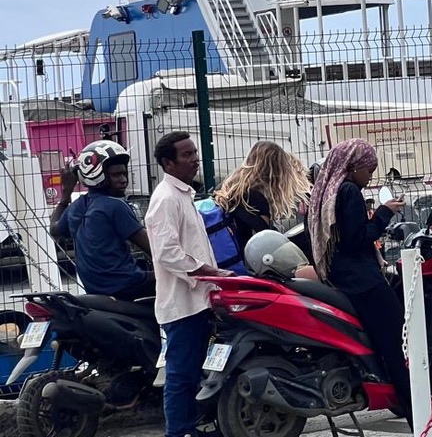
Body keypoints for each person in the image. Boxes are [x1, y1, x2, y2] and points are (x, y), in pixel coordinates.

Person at [307, 138, 432, 436]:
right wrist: (385, 212)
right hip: (365, 284)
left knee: (395, 351)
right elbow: (359, 239)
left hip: (347, 280)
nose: (370, 177)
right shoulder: (349, 192)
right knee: (403, 352)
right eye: (369, 170)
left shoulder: (331, 192)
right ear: (354, 167)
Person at [145, 132, 233, 437]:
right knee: (181, 374)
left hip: (197, 299)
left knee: (193, 369)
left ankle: (192, 426)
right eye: (187, 155)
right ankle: (179, 431)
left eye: (195, 152)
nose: (195, 159)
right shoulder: (165, 199)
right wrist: (207, 271)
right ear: (169, 163)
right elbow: (168, 252)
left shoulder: (183, 195)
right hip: (182, 303)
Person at [50, 140, 154, 300]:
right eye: (116, 175)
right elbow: (153, 249)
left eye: (124, 173)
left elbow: (54, 229)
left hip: (96, 290)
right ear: (96, 175)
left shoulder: (77, 207)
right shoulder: (114, 205)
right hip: (128, 285)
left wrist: (66, 194)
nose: (123, 179)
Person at [213, 141, 310, 256]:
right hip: (245, 260)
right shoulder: (255, 198)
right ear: (276, 170)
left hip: (223, 253)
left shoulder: (226, 188)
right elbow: (266, 240)